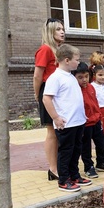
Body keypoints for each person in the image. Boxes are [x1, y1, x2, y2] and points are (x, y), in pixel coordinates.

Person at [42, 44, 91, 192]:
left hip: (78, 121)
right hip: (66, 123)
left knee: (76, 150)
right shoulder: (55, 78)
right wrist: (56, 118)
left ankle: (74, 175)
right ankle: (63, 180)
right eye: (77, 59)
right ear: (67, 60)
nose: (79, 62)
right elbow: (46, 99)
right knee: (66, 152)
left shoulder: (70, 76)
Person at [33, 18, 65, 181]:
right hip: (49, 92)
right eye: (58, 29)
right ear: (50, 32)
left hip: (60, 93)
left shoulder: (59, 51)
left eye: (63, 28)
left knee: (60, 130)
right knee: (52, 131)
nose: (62, 31)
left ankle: (59, 165)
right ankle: (53, 169)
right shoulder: (45, 50)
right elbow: (38, 75)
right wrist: (37, 94)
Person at [72, 62, 104, 178]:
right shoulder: (75, 89)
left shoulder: (91, 87)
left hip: (96, 120)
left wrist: (99, 116)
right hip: (85, 123)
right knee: (85, 147)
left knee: (101, 143)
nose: (84, 80)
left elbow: (95, 103)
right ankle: (88, 167)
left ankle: (101, 162)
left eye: (86, 76)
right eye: (80, 77)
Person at [91, 65, 104, 136]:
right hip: (97, 110)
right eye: (100, 75)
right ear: (94, 75)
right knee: (98, 132)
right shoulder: (91, 86)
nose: (103, 77)